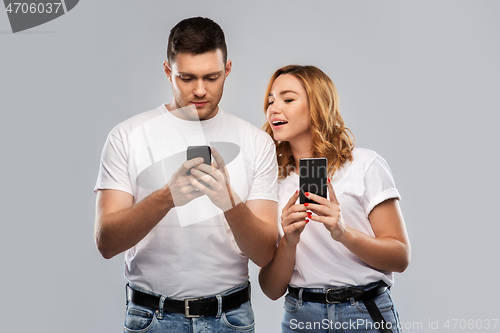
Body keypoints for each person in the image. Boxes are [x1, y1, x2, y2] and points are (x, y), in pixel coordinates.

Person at [94, 17, 279, 333]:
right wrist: (167, 197)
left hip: (230, 319)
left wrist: (229, 202)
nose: (200, 90)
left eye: (212, 77)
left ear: (228, 69)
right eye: (186, 77)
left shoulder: (255, 142)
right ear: (168, 71)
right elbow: (107, 242)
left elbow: (264, 254)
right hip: (151, 318)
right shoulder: (127, 136)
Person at [258, 65, 410, 333]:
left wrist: (342, 232)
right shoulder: (272, 181)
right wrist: (289, 242)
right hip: (301, 317)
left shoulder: (365, 164)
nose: (273, 108)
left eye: (288, 99)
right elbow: (271, 289)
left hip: (363, 313)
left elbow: (400, 257)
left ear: (317, 106)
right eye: (270, 101)